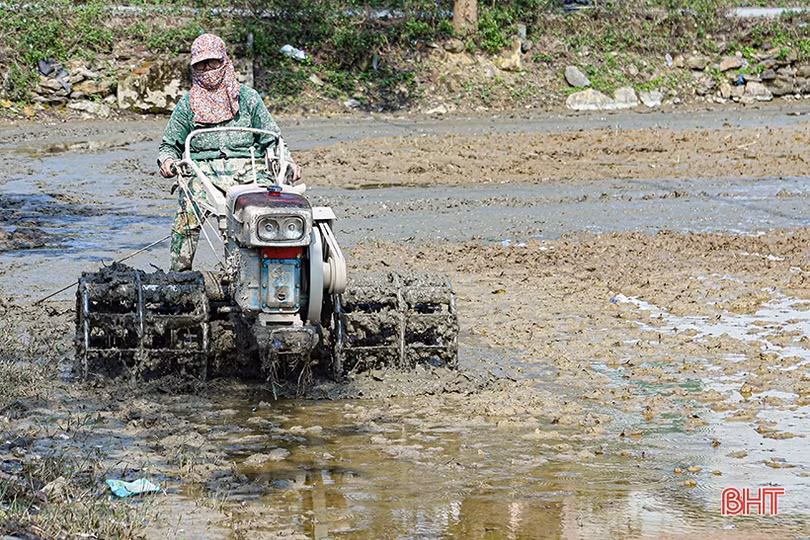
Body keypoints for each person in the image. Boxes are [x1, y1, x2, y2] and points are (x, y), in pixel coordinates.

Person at [157, 33, 301, 272]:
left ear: (224, 60)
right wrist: (168, 161)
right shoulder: (187, 105)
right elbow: (168, 146)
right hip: (202, 173)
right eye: (201, 64)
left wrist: (288, 162)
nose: (208, 69)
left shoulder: (248, 98)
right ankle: (178, 277)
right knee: (186, 219)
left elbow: (273, 139)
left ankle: (258, 273)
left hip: (248, 170)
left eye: (212, 62)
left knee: (262, 214)